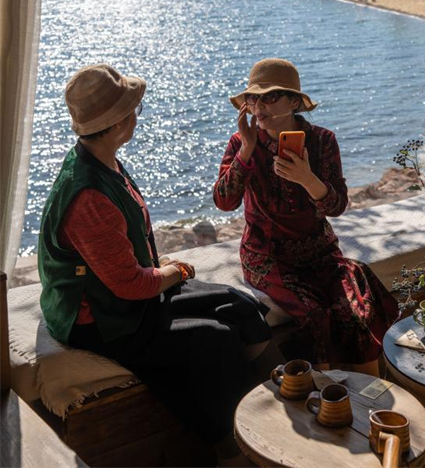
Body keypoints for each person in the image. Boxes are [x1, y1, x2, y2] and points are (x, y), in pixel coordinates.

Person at [38, 64, 274, 460]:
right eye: (134, 109)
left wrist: (162, 267)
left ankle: (279, 403)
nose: (137, 115)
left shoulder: (102, 160)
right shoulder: (88, 196)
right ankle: (236, 446)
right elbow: (132, 285)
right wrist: (177, 271)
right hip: (100, 320)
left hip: (123, 299)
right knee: (215, 338)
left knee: (240, 305)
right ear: (117, 123)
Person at [213, 58, 398, 372]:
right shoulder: (241, 142)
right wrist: (246, 149)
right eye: (253, 98)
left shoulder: (322, 141)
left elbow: (337, 207)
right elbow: (224, 202)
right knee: (315, 314)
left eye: (270, 96)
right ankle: (323, 393)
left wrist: (307, 179)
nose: (258, 106)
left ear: (294, 102)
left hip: (320, 253)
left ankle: (369, 391)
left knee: (354, 313)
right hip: (266, 256)